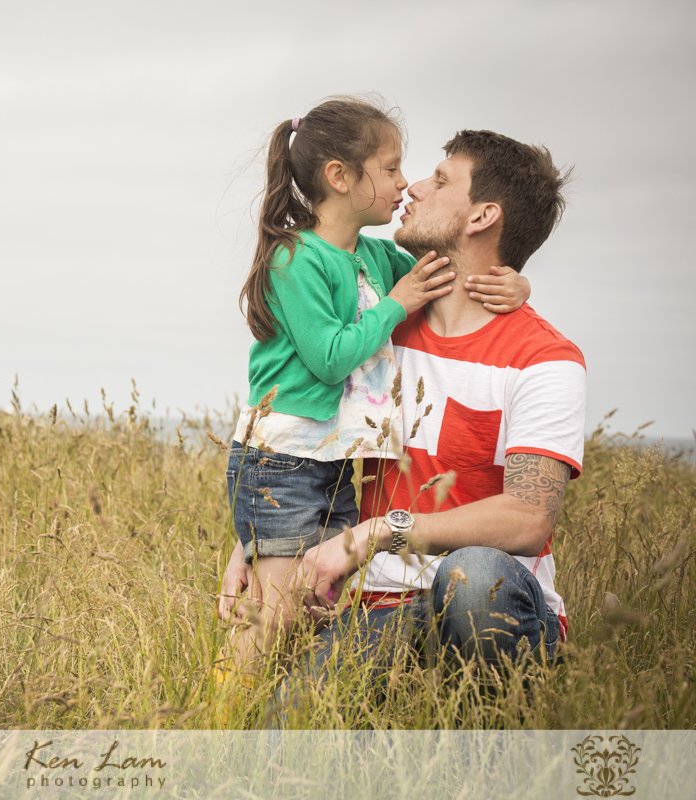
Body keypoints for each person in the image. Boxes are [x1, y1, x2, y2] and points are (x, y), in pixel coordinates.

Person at [221, 128, 583, 720]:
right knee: (282, 732)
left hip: (481, 599)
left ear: (483, 216)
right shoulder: (378, 327)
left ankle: (499, 745)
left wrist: (374, 533)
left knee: (473, 576)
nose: (412, 185)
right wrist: (262, 540)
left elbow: (529, 517)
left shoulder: (543, 360)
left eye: (440, 181)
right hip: (378, 609)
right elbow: (308, 441)